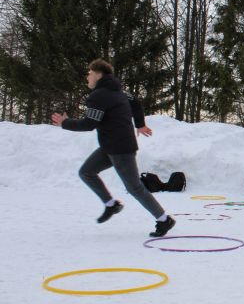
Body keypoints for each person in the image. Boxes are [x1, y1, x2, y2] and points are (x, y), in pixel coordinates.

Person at [50, 59, 175, 237]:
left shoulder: (99, 95)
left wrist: (65, 123)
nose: (87, 77)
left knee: (135, 188)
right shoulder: (120, 92)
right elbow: (136, 103)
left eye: (90, 73)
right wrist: (139, 124)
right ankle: (111, 205)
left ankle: (164, 219)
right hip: (110, 146)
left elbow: (89, 123)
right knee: (86, 172)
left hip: (120, 148)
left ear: (98, 74)